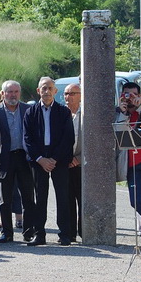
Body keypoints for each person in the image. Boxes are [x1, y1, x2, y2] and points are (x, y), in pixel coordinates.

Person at [23, 76, 75, 246]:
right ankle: (40, 234)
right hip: (38, 161)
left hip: (58, 159)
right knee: (40, 197)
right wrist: (40, 159)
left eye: (49, 88)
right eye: (43, 88)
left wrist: (53, 159)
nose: (46, 91)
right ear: (38, 91)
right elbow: (27, 139)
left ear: (55, 91)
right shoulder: (30, 112)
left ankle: (65, 234)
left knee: (63, 196)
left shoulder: (63, 111)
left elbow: (68, 138)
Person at [0, 80, 34, 243]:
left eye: (16, 92)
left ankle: (29, 232)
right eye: (9, 92)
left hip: (25, 157)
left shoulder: (28, 110)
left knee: (28, 197)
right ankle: (7, 232)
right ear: (3, 94)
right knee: (5, 198)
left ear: (20, 93)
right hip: (5, 158)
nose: (13, 95)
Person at [119, 82, 141, 247]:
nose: (131, 98)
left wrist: (140, 106)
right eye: (127, 94)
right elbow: (117, 131)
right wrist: (123, 111)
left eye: (134, 95)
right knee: (136, 201)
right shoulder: (119, 112)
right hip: (131, 164)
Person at [64, 84, 82, 243]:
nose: (68, 97)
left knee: (83, 198)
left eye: (72, 93)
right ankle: (69, 233)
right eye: (66, 93)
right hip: (65, 163)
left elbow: (93, 139)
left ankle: (85, 231)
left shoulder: (87, 114)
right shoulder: (61, 113)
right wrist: (67, 157)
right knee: (67, 199)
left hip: (83, 164)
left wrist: (80, 158)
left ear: (81, 95)